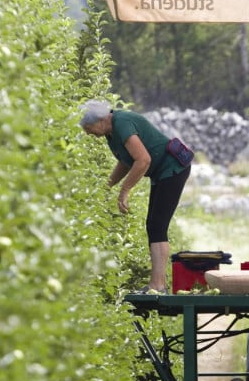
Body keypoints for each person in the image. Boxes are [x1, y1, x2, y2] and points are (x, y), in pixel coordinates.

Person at [79, 100, 191, 294]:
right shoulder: (111, 132)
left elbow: (143, 160)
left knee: (157, 226)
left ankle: (158, 286)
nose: (89, 133)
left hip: (173, 168)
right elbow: (126, 161)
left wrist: (124, 190)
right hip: (161, 173)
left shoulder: (122, 123)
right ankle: (158, 284)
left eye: (89, 128)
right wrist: (107, 186)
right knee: (154, 226)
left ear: (101, 120)